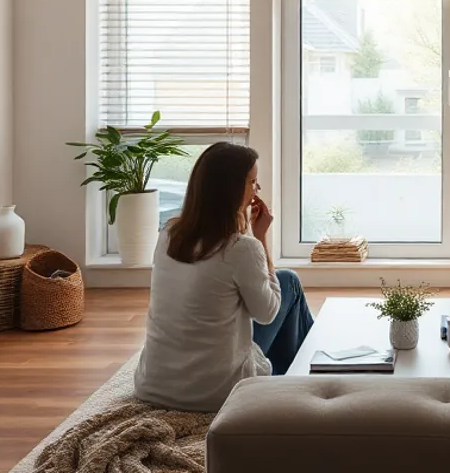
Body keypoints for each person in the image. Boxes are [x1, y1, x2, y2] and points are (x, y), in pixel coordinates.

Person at [133, 142, 314, 412]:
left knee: (284, 280)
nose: (258, 189)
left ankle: (298, 378)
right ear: (231, 190)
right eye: (253, 181)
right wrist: (261, 237)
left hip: (153, 386)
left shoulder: (169, 233)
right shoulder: (242, 248)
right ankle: (310, 375)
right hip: (214, 395)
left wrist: (245, 226)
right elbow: (267, 314)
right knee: (289, 284)